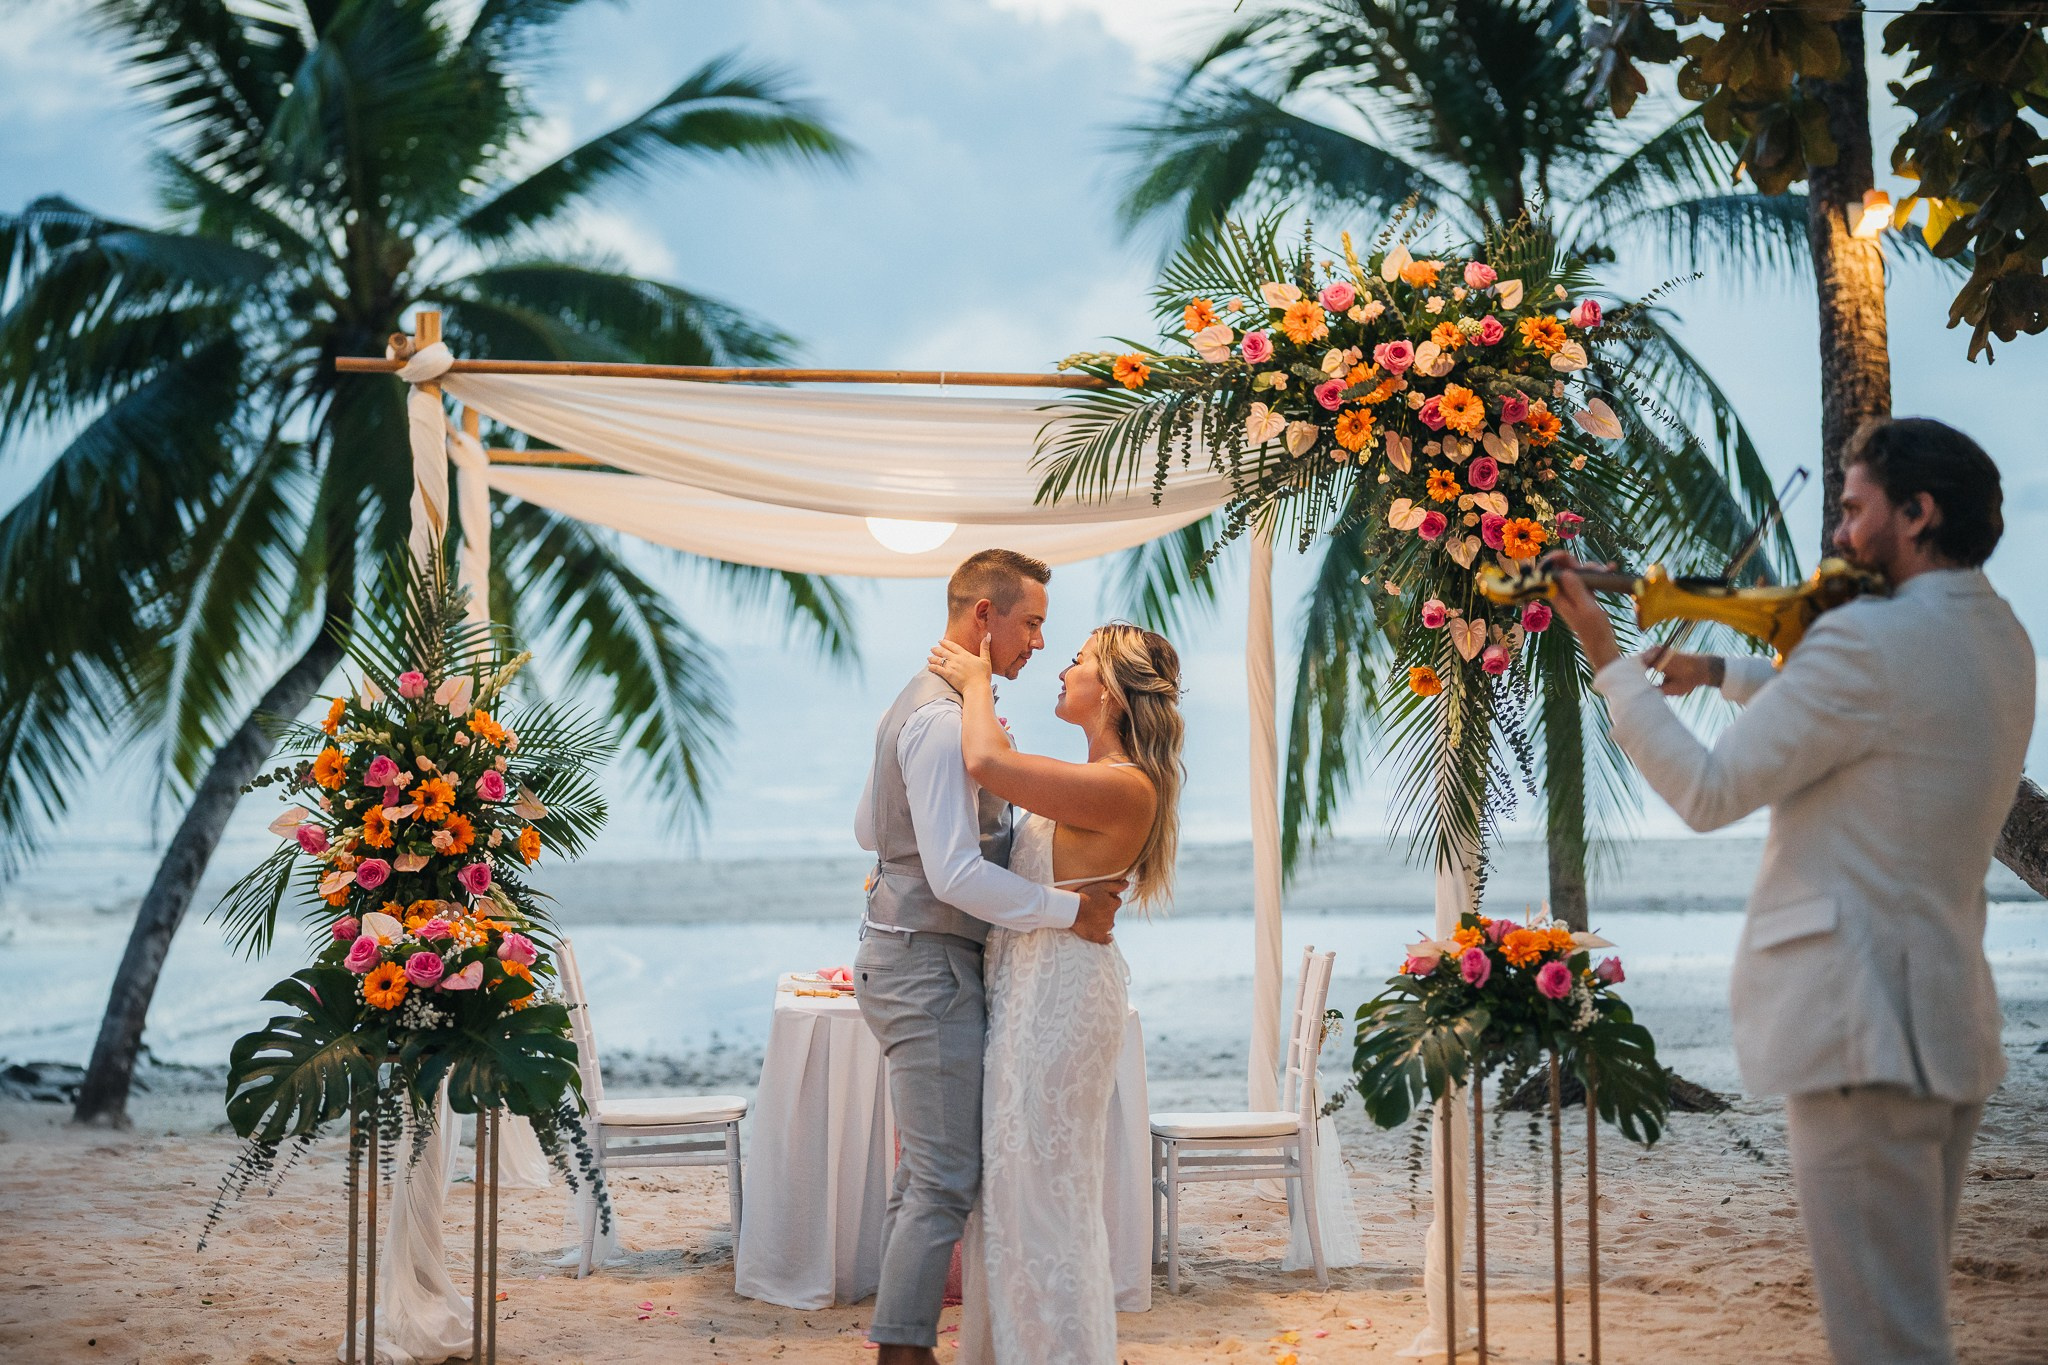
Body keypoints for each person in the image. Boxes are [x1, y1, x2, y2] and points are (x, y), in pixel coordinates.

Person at [1544, 418, 2032, 1365]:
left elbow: (1707, 790)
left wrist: (1606, 652)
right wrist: (1723, 669)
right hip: (1945, 1021)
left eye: (1854, 510)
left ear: (1917, 513)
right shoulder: (1999, 635)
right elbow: (1877, 710)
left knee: (1882, 1341)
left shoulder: (1868, 640)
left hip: (1860, 1025)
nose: (1839, 535)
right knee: (1909, 1323)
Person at [852, 549, 1125, 1365]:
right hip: (927, 965)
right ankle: (904, 1353)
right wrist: (1070, 909)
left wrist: (905, 859)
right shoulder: (944, 723)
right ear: (984, 615)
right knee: (943, 1176)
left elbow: (868, 829)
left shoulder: (917, 702)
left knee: (926, 1173)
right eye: (1031, 622)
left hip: (909, 953)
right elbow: (957, 875)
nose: (1039, 642)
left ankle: (902, 1342)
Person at [928, 620, 1183, 1365]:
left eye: (1077, 660)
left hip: (1062, 999)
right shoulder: (1093, 776)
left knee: (1042, 1193)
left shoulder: (1124, 785)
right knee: (1015, 1189)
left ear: (1110, 691)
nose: (1062, 669)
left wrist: (977, 682)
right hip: (1030, 990)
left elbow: (985, 759)